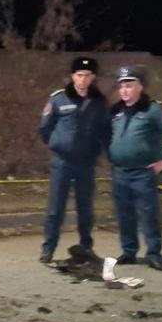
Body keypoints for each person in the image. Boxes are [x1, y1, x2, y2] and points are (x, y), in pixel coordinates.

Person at [37, 56, 110, 265]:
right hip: (62, 162)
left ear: (93, 77)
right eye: (79, 75)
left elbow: (105, 129)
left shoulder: (99, 102)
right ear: (72, 76)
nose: (83, 79)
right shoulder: (58, 99)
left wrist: (97, 150)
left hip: (86, 163)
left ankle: (86, 247)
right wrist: (58, 144)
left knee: (85, 208)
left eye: (87, 75)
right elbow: (45, 128)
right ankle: (48, 249)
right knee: (55, 208)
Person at [106, 66, 162, 271]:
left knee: (148, 215)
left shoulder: (153, 110)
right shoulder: (116, 111)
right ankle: (129, 252)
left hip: (143, 173)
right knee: (124, 215)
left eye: (129, 85)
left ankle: (154, 254)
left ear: (140, 87)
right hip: (120, 172)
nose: (124, 90)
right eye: (121, 86)